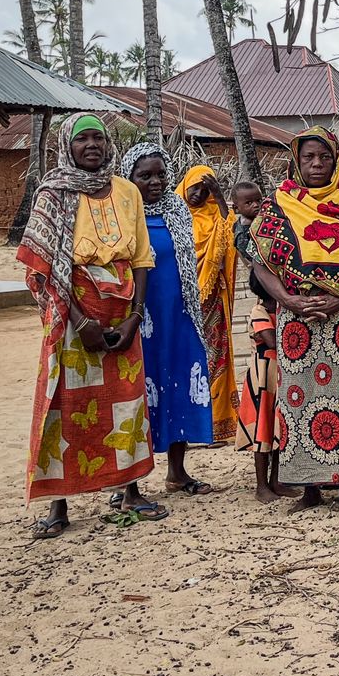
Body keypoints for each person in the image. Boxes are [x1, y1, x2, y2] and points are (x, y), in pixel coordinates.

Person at [19, 114, 167, 538]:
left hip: (122, 311)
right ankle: (58, 504)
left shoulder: (126, 191)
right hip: (71, 313)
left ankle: (130, 491)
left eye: (98, 138)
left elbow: (140, 257)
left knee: (126, 402)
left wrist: (135, 315)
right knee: (62, 403)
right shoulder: (53, 193)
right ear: (68, 144)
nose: (91, 146)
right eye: (82, 138)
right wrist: (79, 320)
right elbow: (42, 267)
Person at [250, 128, 339, 514]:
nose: (316, 164)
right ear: (297, 160)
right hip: (299, 323)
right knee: (301, 401)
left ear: (336, 160)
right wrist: (287, 300)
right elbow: (260, 262)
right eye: (309, 157)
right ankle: (310, 489)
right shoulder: (278, 204)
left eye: (323, 157)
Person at [122, 144, 215, 496]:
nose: (155, 181)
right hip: (140, 317)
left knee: (180, 387)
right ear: (129, 178)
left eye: (161, 173)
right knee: (137, 393)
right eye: (144, 176)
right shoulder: (122, 212)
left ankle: (177, 473)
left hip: (180, 314)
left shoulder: (177, 209)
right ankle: (128, 483)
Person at [230, 181, 301, 504]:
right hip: (263, 381)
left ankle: (277, 481)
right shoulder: (260, 312)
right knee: (263, 436)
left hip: (277, 381)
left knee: (276, 434)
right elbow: (272, 342)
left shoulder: (279, 310)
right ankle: (262, 485)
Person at [177, 164, 239, 444]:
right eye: (195, 188)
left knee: (214, 361)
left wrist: (219, 195)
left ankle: (215, 424)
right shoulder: (175, 216)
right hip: (182, 303)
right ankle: (188, 427)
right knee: (186, 364)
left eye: (205, 190)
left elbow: (234, 235)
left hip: (213, 301)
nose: (199, 194)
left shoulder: (217, 214)